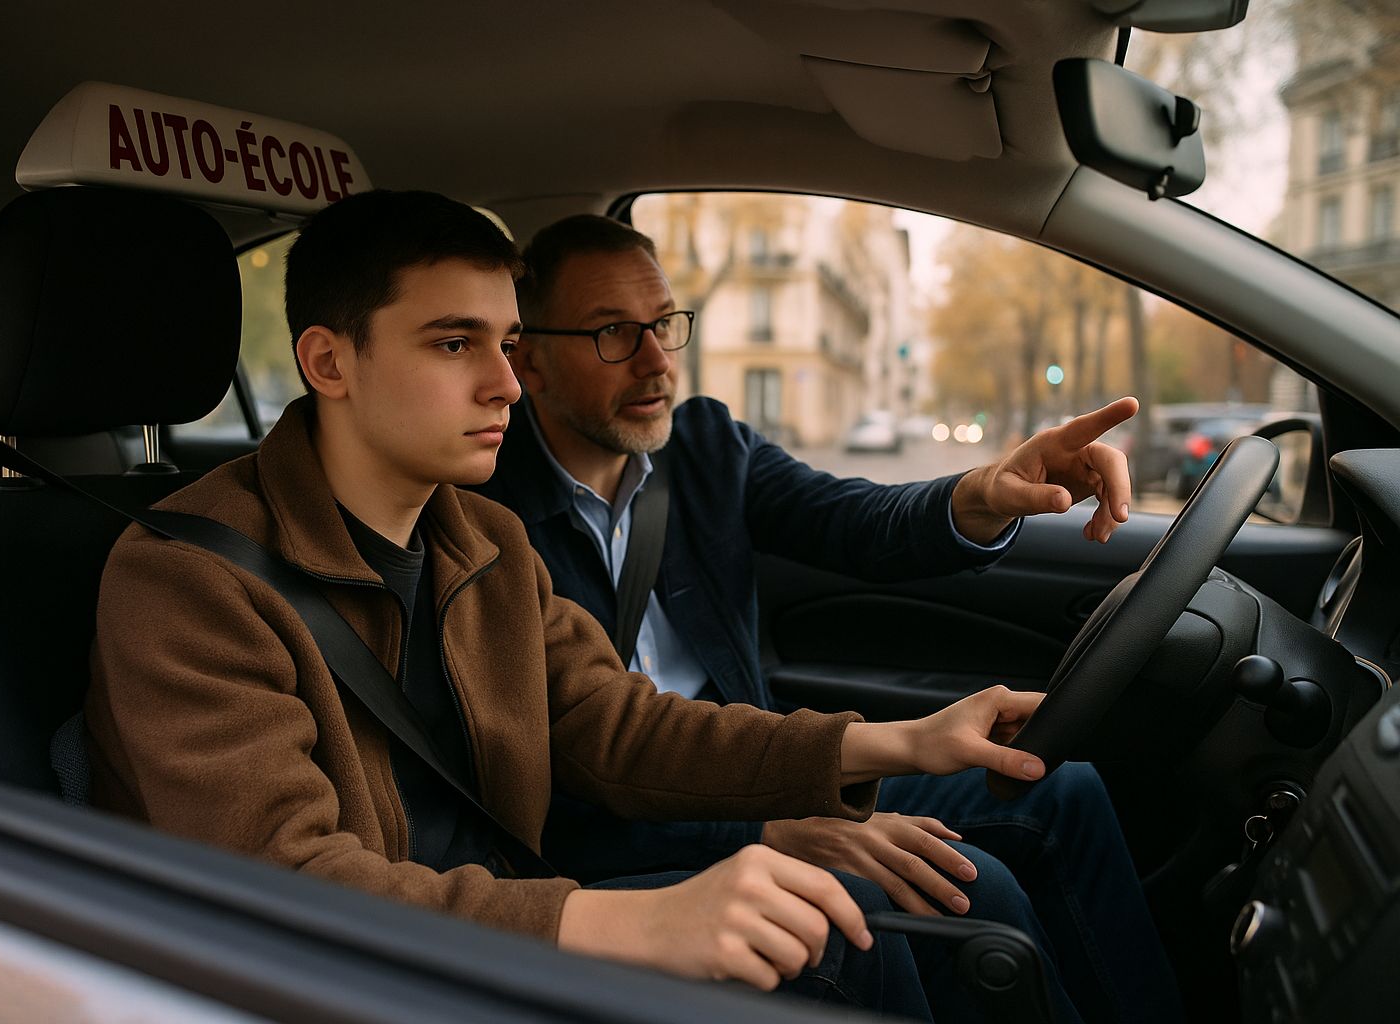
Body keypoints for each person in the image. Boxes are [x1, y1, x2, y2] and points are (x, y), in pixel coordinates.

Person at [84, 189, 1065, 1019]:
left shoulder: (482, 538)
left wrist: (901, 742)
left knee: (832, 921)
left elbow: (621, 728)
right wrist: (626, 921)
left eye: (507, 344)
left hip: (496, 927)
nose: (506, 382)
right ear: (330, 362)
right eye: (454, 343)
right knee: (836, 935)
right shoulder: (188, 577)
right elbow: (281, 885)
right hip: (362, 980)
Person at [473, 213, 1185, 1024]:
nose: (656, 360)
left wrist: (985, 493)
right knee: (968, 890)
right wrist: (763, 831)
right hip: (634, 826)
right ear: (528, 360)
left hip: (761, 765)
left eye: (666, 324)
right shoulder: (484, 514)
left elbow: (856, 520)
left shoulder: (703, 446)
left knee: (1062, 788)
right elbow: (563, 779)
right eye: (612, 333)